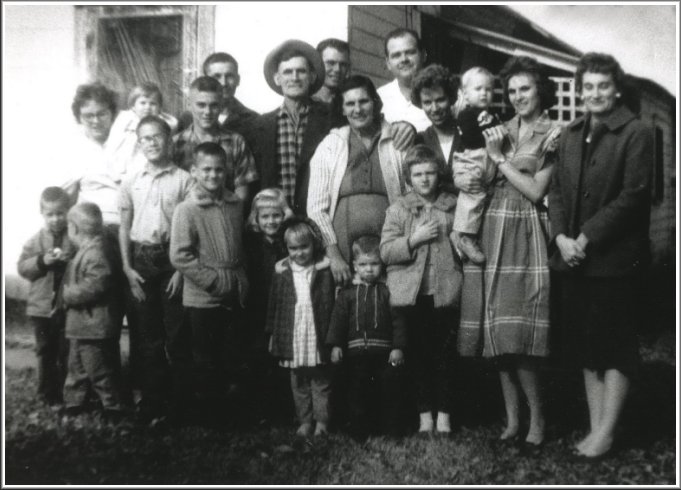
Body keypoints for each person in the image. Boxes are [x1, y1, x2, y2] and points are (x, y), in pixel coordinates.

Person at [549, 53, 653, 460]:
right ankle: (595, 429)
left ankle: (607, 432)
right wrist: (560, 237)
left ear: (617, 88)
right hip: (572, 258)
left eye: (602, 86)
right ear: (580, 90)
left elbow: (634, 196)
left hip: (613, 261)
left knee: (614, 347)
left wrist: (585, 237)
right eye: (587, 87)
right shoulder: (571, 133)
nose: (594, 94)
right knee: (587, 348)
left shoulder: (637, 132)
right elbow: (555, 190)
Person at [458, 56, 561, 449]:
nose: (518, 97)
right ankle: (512, 420)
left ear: (541, 91)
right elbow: (481, 176)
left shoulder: (553, 133)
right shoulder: (500, 127)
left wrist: (499, 158)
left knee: (519, 333)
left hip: (524, 230)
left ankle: (539, 419)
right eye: (513, 90)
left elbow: (537, 190)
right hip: (491, 227)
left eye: (526, 89)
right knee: (496, 334)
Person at [380, 144, 462, 435]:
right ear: (408, 178)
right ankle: (425, 415)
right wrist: (413, 240)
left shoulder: (453, 205)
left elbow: (464, 243)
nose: (425, 179)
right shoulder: (399, 208)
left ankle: (445, 415)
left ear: (439, 174)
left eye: (430, 173)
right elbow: (386, 252)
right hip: (411, 297)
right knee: (417, 357)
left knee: (445, 357)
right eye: (418, 174)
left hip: (445, 294)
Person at [118, 115, 193, 423]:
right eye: (145, 138)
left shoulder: (184, 180)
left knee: (175, 335)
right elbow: (123, 228)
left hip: (172, 262)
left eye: (157, 137)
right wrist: (127, 268)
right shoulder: (131, 180)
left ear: (169, 140)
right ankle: (151, 401)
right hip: (141, 263)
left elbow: (191, 229)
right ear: (139, 143)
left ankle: (178, 405)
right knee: (148, 337)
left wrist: (180, 271)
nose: (151, 143)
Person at [170, 142, 249, 425]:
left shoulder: (235, 204)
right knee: (204, 357)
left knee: (231, 353)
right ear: (194, 171)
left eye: (219, 170)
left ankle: (228, 414)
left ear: (226, 171)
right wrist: (212, 281)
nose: (213, 175)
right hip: (203, 296)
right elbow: (180, 255)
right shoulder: (187, 208)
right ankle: (205, 416)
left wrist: (239, 281)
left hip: (233, 293)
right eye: (206, 170)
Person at [307, 75, 408, 288]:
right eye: (350, 104)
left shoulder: (396, 140)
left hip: (390, 239)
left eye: (363, 101)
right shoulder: (331, 145)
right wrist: (333, 255)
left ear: (375, 103)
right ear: (342, 109)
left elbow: (410, 195)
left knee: (390, 302)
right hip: (342, 247)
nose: (357, 109)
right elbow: (316, 209)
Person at [326, 235, 407, 441]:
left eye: (374, 264)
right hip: (356, 353)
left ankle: (392, 431)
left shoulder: (388, 291)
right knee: (357, 393)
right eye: (363, 264)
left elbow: (398, 320)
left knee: (388, 391)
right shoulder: (347, 293)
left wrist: (398, 347)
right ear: (354, 265)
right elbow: (338, 321)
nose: (368, 269)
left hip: (384, 353)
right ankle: (360, 432)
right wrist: (336, 345)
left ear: (382, 264)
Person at [265, 217, 335, 437]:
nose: (299, 253)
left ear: (313, 245)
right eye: (293, 248)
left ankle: (322, 421)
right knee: (298, 380)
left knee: (320, 379)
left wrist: (333, 338)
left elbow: (332, 305)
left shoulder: (324, 270)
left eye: (304, 247)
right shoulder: (282, 272)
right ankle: (304, 420)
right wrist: (272, 334)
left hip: (316, 332)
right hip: (293, 332)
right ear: (286, 249)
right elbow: (273, 306)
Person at [61, 202, 124, 421]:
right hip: (81, 326)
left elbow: (97, 284)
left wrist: (69, 295)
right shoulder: (88, 250)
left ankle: (112, 406)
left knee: (98, 369)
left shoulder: (96, 253)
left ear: (73, 228)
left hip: (93, 326)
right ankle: (74, 403)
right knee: (76, 367)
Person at [17, 187, 76, 406]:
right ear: (42, 213)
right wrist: (42, 261)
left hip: (67, 306)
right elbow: (23, 267)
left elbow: (82, 260)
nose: (55, 219)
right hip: (41, 308)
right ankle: (46, 393)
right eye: (50, 214)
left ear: (68, 212)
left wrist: (71, 259)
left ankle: (65, 392)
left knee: (65, 350)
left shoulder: (74, 237)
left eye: (60, 213)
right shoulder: (35, 241)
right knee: (45, 351)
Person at [243, 188, 294, 423]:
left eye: (276, 215)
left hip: (285, 306)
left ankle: (284, 409)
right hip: (258, 307)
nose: (271, 221)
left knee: (284, 357)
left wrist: (290, 214)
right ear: (256, 218)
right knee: (259, 354)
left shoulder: (289, 242)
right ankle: (261, 410)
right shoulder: (251, 244)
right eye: (265, 217)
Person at [172, 76, 258, 202]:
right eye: (201, 105)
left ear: (222, 105)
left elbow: (242, 194)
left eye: (214, 105)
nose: (207, 112)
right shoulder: (176, 143)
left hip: (224, 215)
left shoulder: (236, 142)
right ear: (189, 104)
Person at [449, 66, 503, 265]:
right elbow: (471, 138)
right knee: (473, 194)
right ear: (465, 94)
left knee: (481, 196)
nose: (484, 93)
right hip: (471, 160)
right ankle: (465, 237)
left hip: (486, 162)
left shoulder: (492, 115)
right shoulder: (466, 114)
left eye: (488, 89)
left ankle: (460, 234)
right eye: (478, 89)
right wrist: (489, 128)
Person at [107, 82, 179, 177]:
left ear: (160, 108)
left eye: (153, 104)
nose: (147, 107)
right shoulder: (125, 121)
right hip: (125, 164)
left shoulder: (163, 124)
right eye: (143, 103)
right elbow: (114, 144)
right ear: (133, 106)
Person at [177, 52, 259, 134]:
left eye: (229, 76)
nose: (223, 83)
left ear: (238, 80)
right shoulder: (188, 118)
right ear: (205, 80)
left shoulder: (252, 120)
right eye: (217, 76)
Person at [377, 28, 431, 132]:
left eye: (410, 52)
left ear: (423, 55)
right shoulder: (379, 97)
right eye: (396, 55)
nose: (404, 59)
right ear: (388, 63)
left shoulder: (443, 93)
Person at [313, 38, 351, 106]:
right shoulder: (303, 100)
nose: (337, 69)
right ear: (317, 64)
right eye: (331, 63)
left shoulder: (350, 103)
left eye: (343, 64)